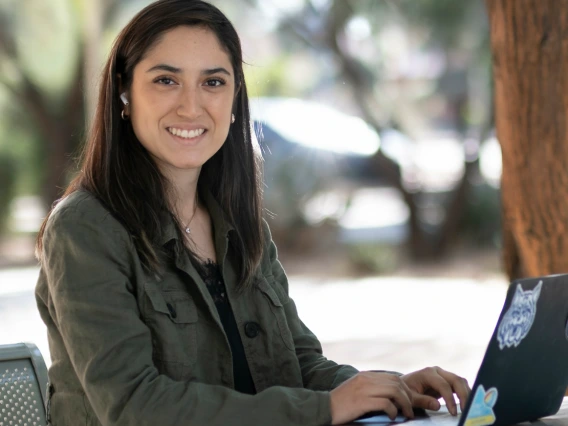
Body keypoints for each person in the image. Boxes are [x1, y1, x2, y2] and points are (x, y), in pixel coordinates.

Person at [35, 1, 470, 425]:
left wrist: (385, 389)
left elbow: (298, 363)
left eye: (213, 82)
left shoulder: (239, 224)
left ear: (234, 97)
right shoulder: (84, 229)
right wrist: (324, 410)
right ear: (124, 94)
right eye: (166, 80)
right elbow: (135, 407)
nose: (191, 106)